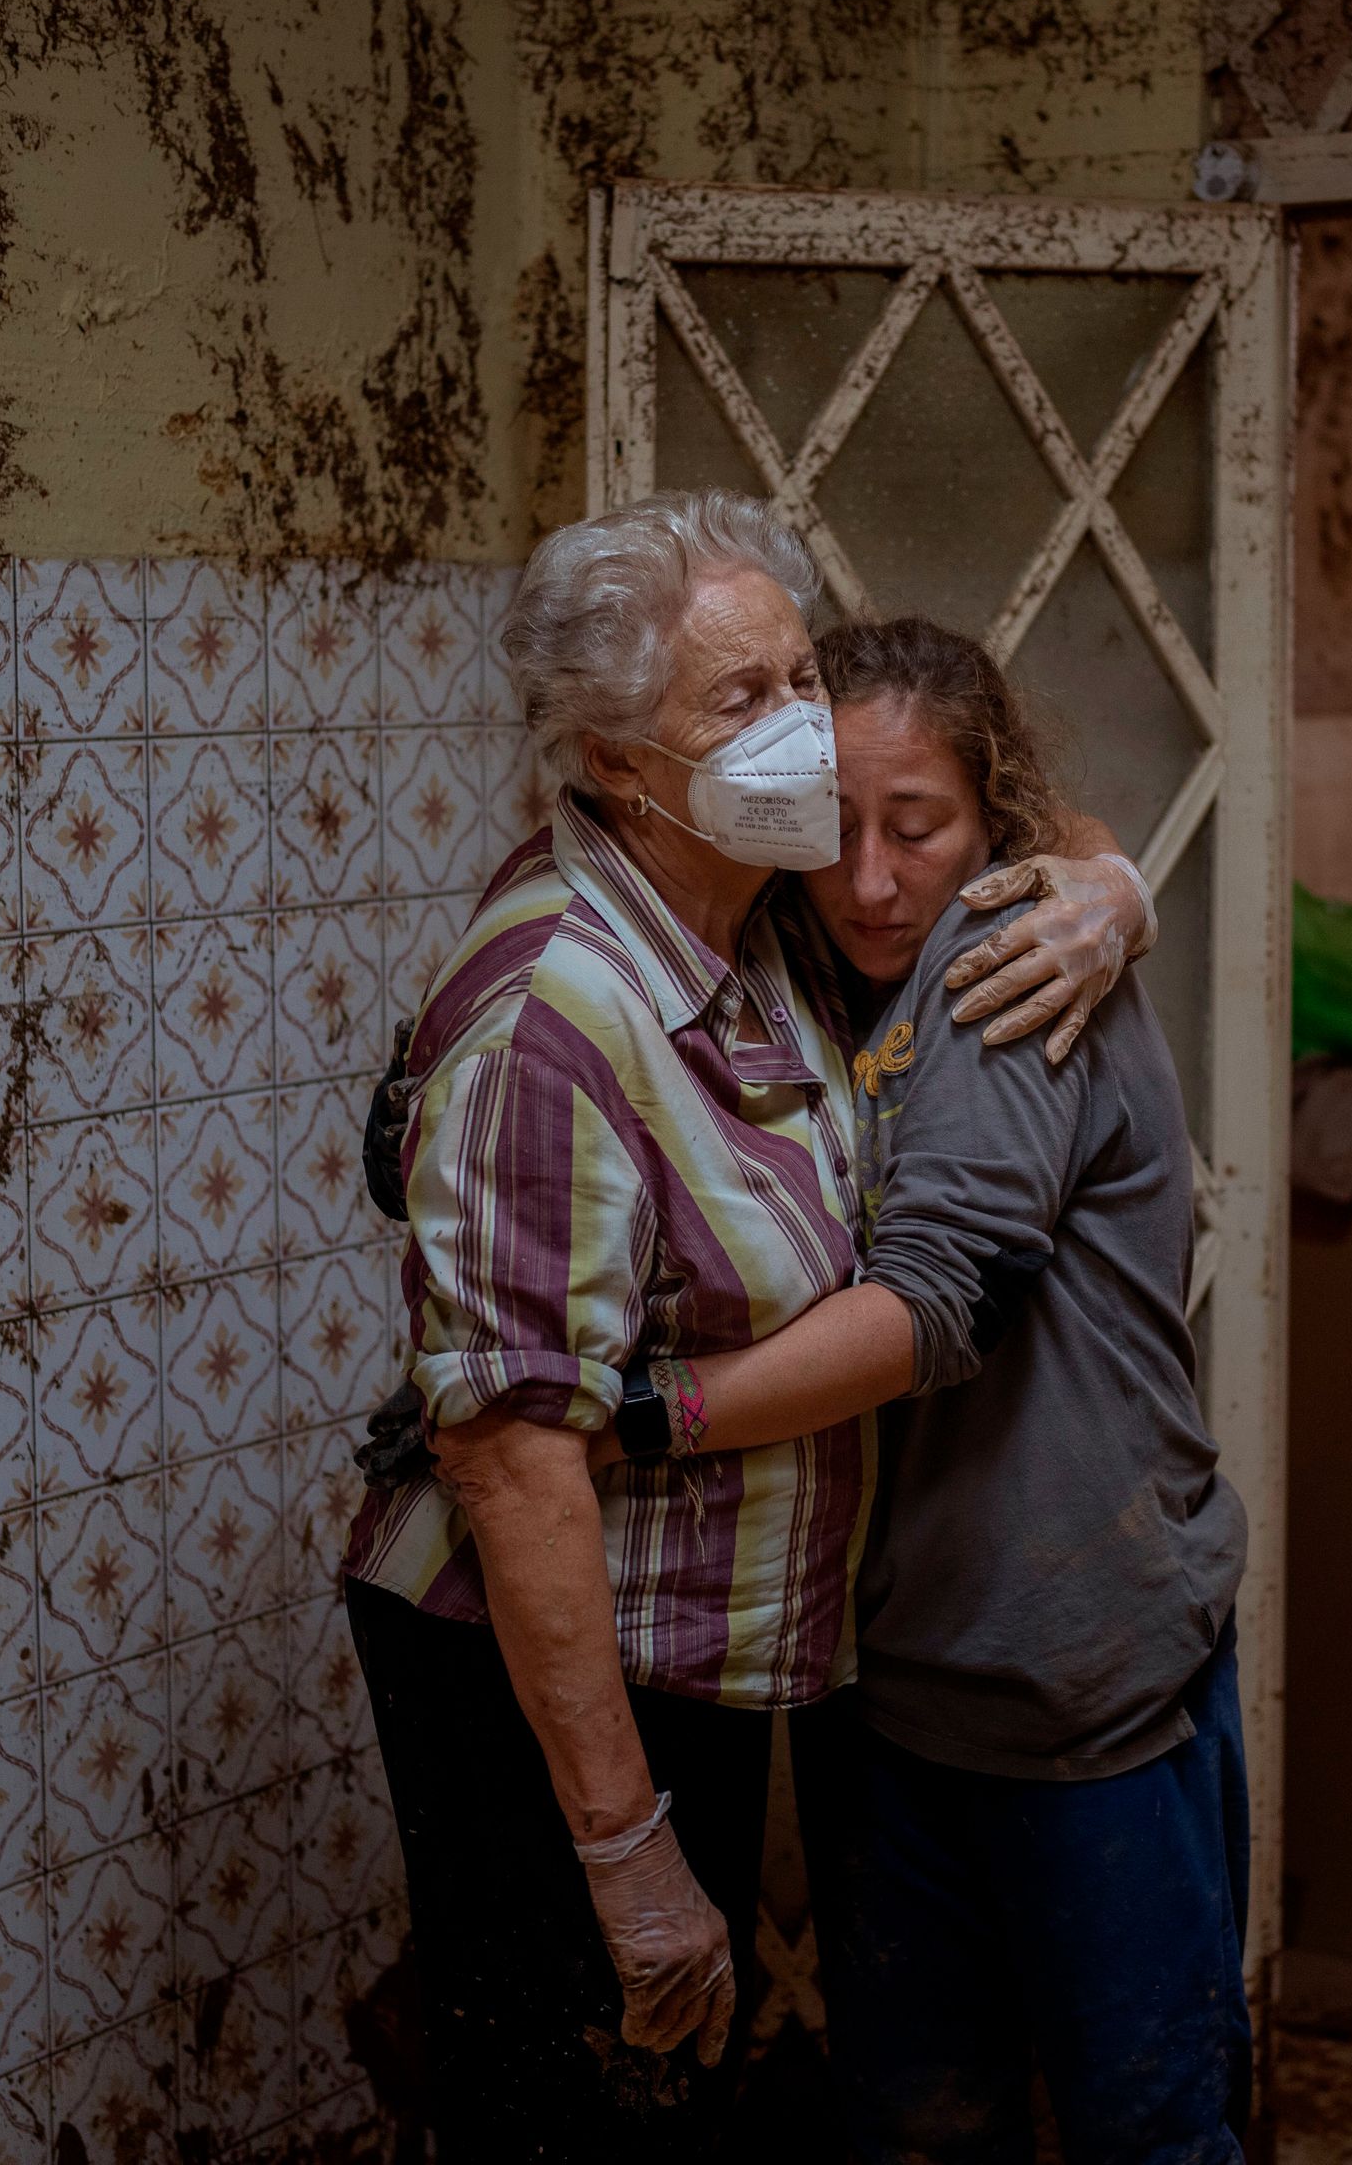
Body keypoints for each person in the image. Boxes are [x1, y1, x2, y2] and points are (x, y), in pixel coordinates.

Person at [338, 497, 1157, 2161]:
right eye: (741, 699)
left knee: (673, 2105)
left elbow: (974, 803)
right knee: (580, 2100)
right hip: (547, 1671)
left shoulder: (759, 913)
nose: (796, 727)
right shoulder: (559, 1015)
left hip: (690, 1646)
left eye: (798, 672)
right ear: (617, 755)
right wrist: (627, 1850)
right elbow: (508, 1460)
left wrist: (1109, 887)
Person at [632, 614, 1251, 2165]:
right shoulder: (808, 964)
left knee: (1146, 2130)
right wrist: (1118, 879)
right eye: (830, 830)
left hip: (1074, 1675)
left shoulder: (999, 960)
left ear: (999, 826)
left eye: (919, 829)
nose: (873, 881)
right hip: (901, 1683)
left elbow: (939, 1301)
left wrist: (650, 1414)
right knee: (930, 2124)